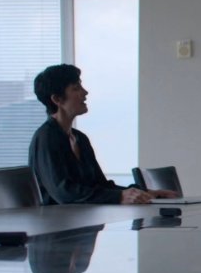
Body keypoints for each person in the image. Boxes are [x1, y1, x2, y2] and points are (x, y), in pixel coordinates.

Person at [29, 64, 177, 204]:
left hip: (84, 219)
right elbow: (64, 192)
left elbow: (100, 185)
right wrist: (120, 196)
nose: (85, 92)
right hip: (58, 225)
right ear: (57, 99)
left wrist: (145, 192)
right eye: (76, 88)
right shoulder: (46, 138)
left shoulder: (80, 138)